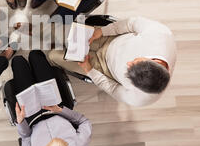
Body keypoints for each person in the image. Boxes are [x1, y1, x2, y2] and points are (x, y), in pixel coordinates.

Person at [48, 17, 177, 107]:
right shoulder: (161, 34)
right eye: (134, 61)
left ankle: (55, 46)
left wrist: (89, 70)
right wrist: (102, 31)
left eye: (129, 70)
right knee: (55, 30)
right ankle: (33, 30)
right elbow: (130, 24)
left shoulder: (142, 98)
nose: (128, 64)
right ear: (151, 59)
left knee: (53, 56)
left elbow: (113, 88)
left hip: (102, 68)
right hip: (108, 38)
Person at [11, 50, 92, 146]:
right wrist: (61, 110)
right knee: (35, 56)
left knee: (18, 62)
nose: (52, 139)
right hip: (55, 108)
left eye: (47, 145)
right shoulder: (80, 145)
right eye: (63, 142)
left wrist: (21, 122)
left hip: (32, 117)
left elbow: (25, 137)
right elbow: (83, 121)